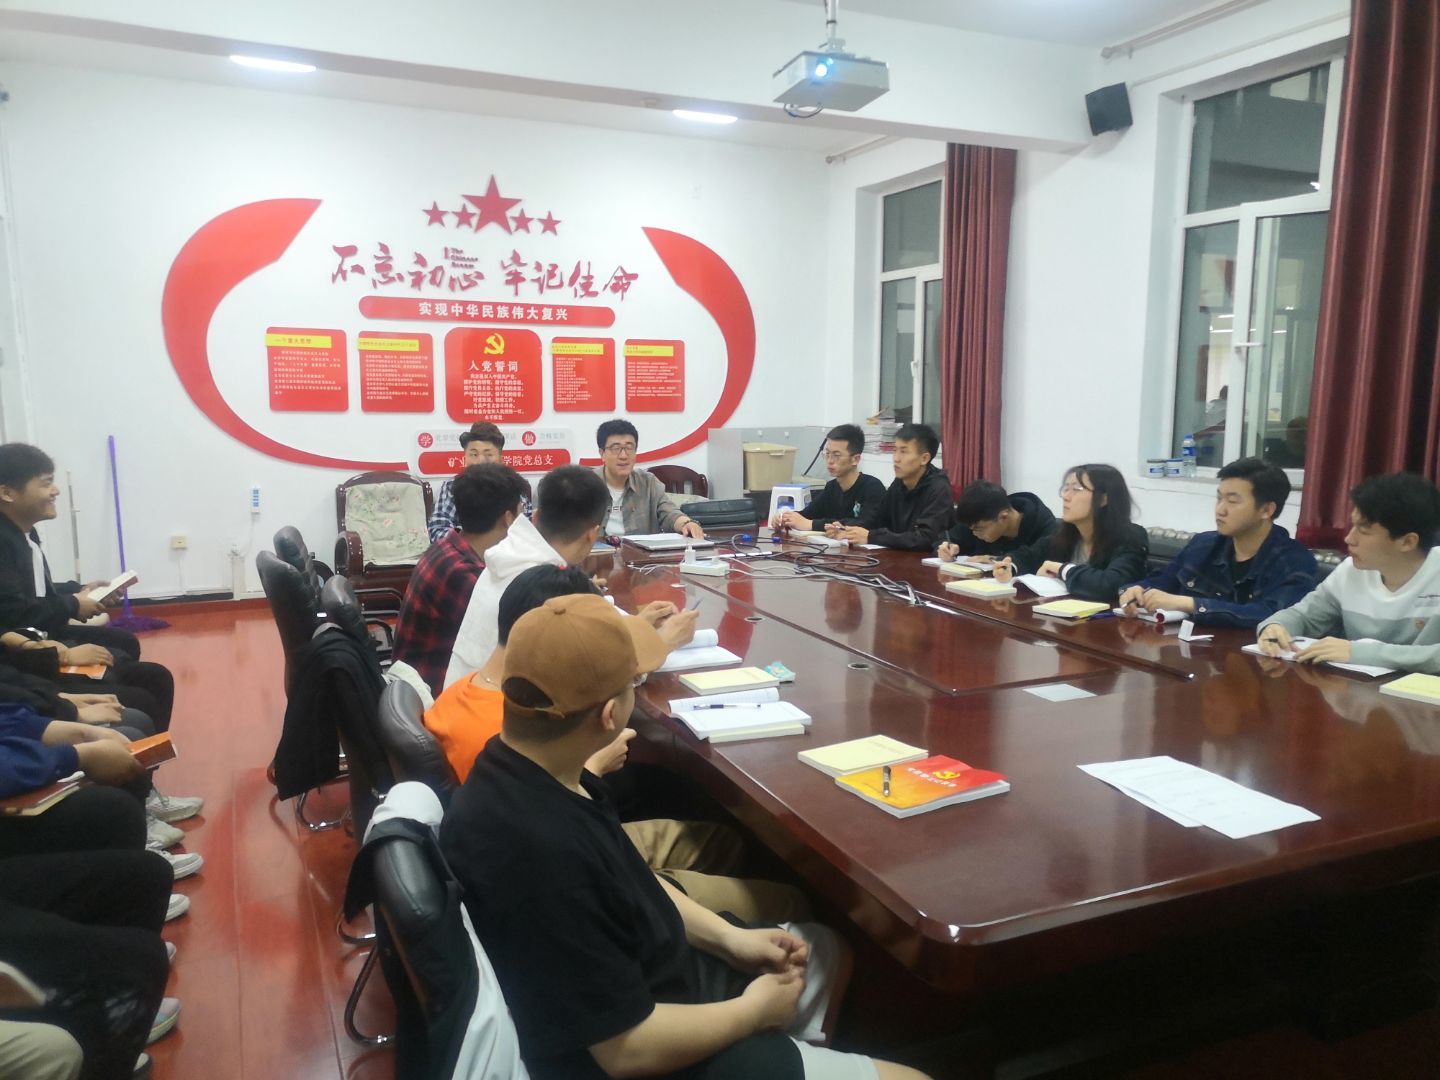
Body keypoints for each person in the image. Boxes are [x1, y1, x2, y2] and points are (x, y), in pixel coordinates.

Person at [439, 592, 930, 1080]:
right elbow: (624, 1050)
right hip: (651, 1047)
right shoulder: (549, 855)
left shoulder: (520, 770)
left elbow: (631, 879)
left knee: (827, 947)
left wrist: (731, 939)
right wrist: (752, 1014)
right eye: (634, 683)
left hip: (660, 976)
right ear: (609, 716)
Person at [428, 564, 808, 923]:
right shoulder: (517, 769)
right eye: (630, 683)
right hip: (602, 874)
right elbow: (581, 849)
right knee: (792, 900)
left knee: (723, 840)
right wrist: (593, 768)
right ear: (608, 714)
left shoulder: (474, 698)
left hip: (583, 851)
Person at [445, 465, 698, 688]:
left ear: (535, 516)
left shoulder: (508, 554)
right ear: (593, 534)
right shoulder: (545, 583)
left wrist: (639, 625)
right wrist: (663, 642)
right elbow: (599, 676)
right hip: (502, 719)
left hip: (463, 702)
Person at [1257, 472, 1440, 673]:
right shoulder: (1351, 570)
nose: (1349, 539)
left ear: (1407, 542)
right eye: (1353, 526)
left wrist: (1363, 653)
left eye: (1364, 530)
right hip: (1359, 688)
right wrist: (1276, 626)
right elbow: (1304, 616)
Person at [1119, 458, 1316, 627]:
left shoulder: (1294, 561)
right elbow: (1162, 581)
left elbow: (1273, 615)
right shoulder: (1203, 545)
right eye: (1219, 498)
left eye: (1232, 501)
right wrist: (1135, 590)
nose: (1220, 510)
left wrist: (1190, 604)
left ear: (1266, 510)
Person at [394, 463, 530, 695]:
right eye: (521, 511)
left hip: (417, 685)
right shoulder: (463, 575)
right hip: (433, 694)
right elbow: (511, 640)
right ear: (508, 519)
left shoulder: (449, 547)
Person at [995, 464, 1148, 603]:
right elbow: (1027, 556)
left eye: (1076, 489)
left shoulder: (1130, 538)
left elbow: (1110, 584)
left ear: (1103, 499)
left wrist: (1062, 569)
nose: (1066, 497)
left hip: (1108, 621)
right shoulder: (1065, 534)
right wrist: (1009, 567)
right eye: (1066, 489)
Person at [828, 423, 953, 551]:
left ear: (924, 458)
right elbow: (877, 520)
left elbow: (925, 539)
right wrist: (846, 528)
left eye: (903, 452)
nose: (896, 458)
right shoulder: (899, 483)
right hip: (897, 555)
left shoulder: (939, 488)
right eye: (895, 450)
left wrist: (872, 537)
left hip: (924, 560)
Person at [594, 419, 705, 540]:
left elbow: (669, 513)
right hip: (598, 551)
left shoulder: (647, 482)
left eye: (629, 447)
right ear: (602, 453)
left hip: (639, 551)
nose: (623, 456)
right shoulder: (586, 484)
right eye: (616, 448)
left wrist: (687, 523)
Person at [773, 424, 886, 533]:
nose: (830, 461)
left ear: (855, 459)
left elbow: (865, 524)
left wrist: (811, 524)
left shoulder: (872, 488)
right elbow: (807, 515)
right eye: (827, 454)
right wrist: (785, 519)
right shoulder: (832, 487)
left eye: (836, 455)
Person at [427, 422, 524, 542]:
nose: (480, 461)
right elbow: (438, 530)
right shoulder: (451, 487)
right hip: (464, 552)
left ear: (500, 458)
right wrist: (475, 541)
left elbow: (526, 531)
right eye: (474, 454)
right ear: (465, 457)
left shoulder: (514, 487)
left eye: (488, 454)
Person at [937, 480, 1058, 562]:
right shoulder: (980, 516)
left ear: (1003, 517)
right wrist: (946, 548)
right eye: (971, 529)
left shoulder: (1045, 527)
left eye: (979, 529)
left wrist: (996, 560)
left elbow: (1040, 562)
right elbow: (945, 538)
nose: (974, 533)